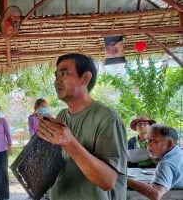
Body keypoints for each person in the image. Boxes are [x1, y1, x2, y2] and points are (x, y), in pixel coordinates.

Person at [37, 53, 128, 200]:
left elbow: (108, 181)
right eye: (56, 75)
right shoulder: (61, 117)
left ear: (85, 78)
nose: (57, 80)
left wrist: (69, 143)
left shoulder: (106, 118)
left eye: (64, 73)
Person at [127, 124, 183, 200]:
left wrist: (125, 180)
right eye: (148, 140)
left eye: (153, 140)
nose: (148, 144)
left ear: (169, 144)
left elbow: (156, 194)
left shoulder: (165, 164)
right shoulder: (178, 153)